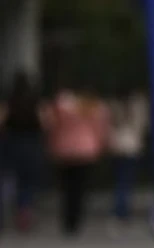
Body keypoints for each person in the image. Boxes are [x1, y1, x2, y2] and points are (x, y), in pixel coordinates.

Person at [45, 85, 109, 238]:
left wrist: (51, 145)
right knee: (80, 188)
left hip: (65, 149)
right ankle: (76, 220)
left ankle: (67, 220)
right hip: (86, 150)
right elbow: (100, 129)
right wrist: (101, 145)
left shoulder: (61, 105)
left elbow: (52, 125)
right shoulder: (94, 106)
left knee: (67, 188)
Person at [0, 71, 44, 234]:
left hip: (11, 143)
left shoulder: (9, 101)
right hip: (30, 143)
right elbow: (44, 122)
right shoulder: (34, 102)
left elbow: (2, 122)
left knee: (7, 179)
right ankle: (24, 213)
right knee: (27, 182)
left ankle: (4, 212)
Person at [107, 86, 151, 231]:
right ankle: (123, 210)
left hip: (118, 144)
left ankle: (120, 210)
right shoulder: (137, 105)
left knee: (120, 179)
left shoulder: (114, 105)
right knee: (126, 180)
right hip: (131, 145)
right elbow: (143, 124)